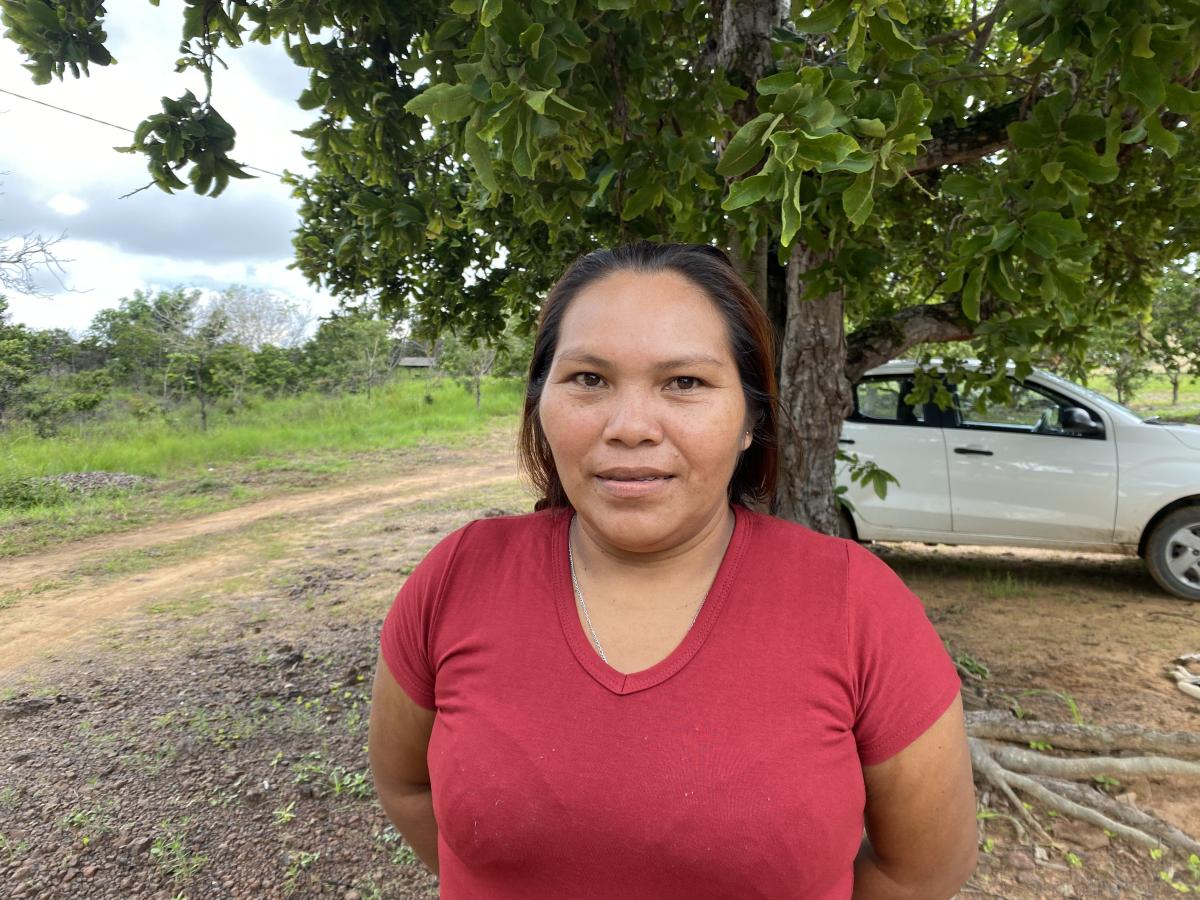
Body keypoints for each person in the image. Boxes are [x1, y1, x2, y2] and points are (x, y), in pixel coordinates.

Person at [368, 242, 978, 899]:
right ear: (541, 405)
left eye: (684, 382)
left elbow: (919, 872)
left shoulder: (856, 605)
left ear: (751, 418)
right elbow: (405, 785)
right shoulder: (459, 577)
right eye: (589, 380)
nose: (630, 427)